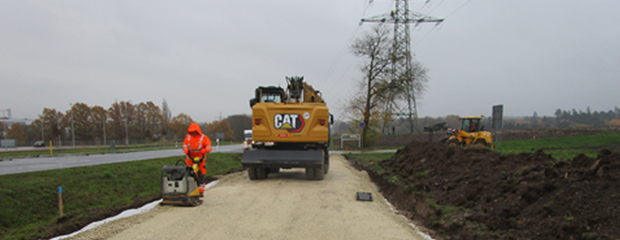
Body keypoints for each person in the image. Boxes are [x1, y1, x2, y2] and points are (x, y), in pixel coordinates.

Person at [182, 123, 212, 196]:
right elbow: (185, 145)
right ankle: (189, 191)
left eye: (194, 131)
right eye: (192, 131)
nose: (193, 133)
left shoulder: (204, 138)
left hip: (200, 160)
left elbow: (209, 146)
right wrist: (185, 150)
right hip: (190, 160)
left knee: (201, 176)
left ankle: (200, 192)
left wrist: (205, 150)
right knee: (188, 176)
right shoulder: (188, 137)